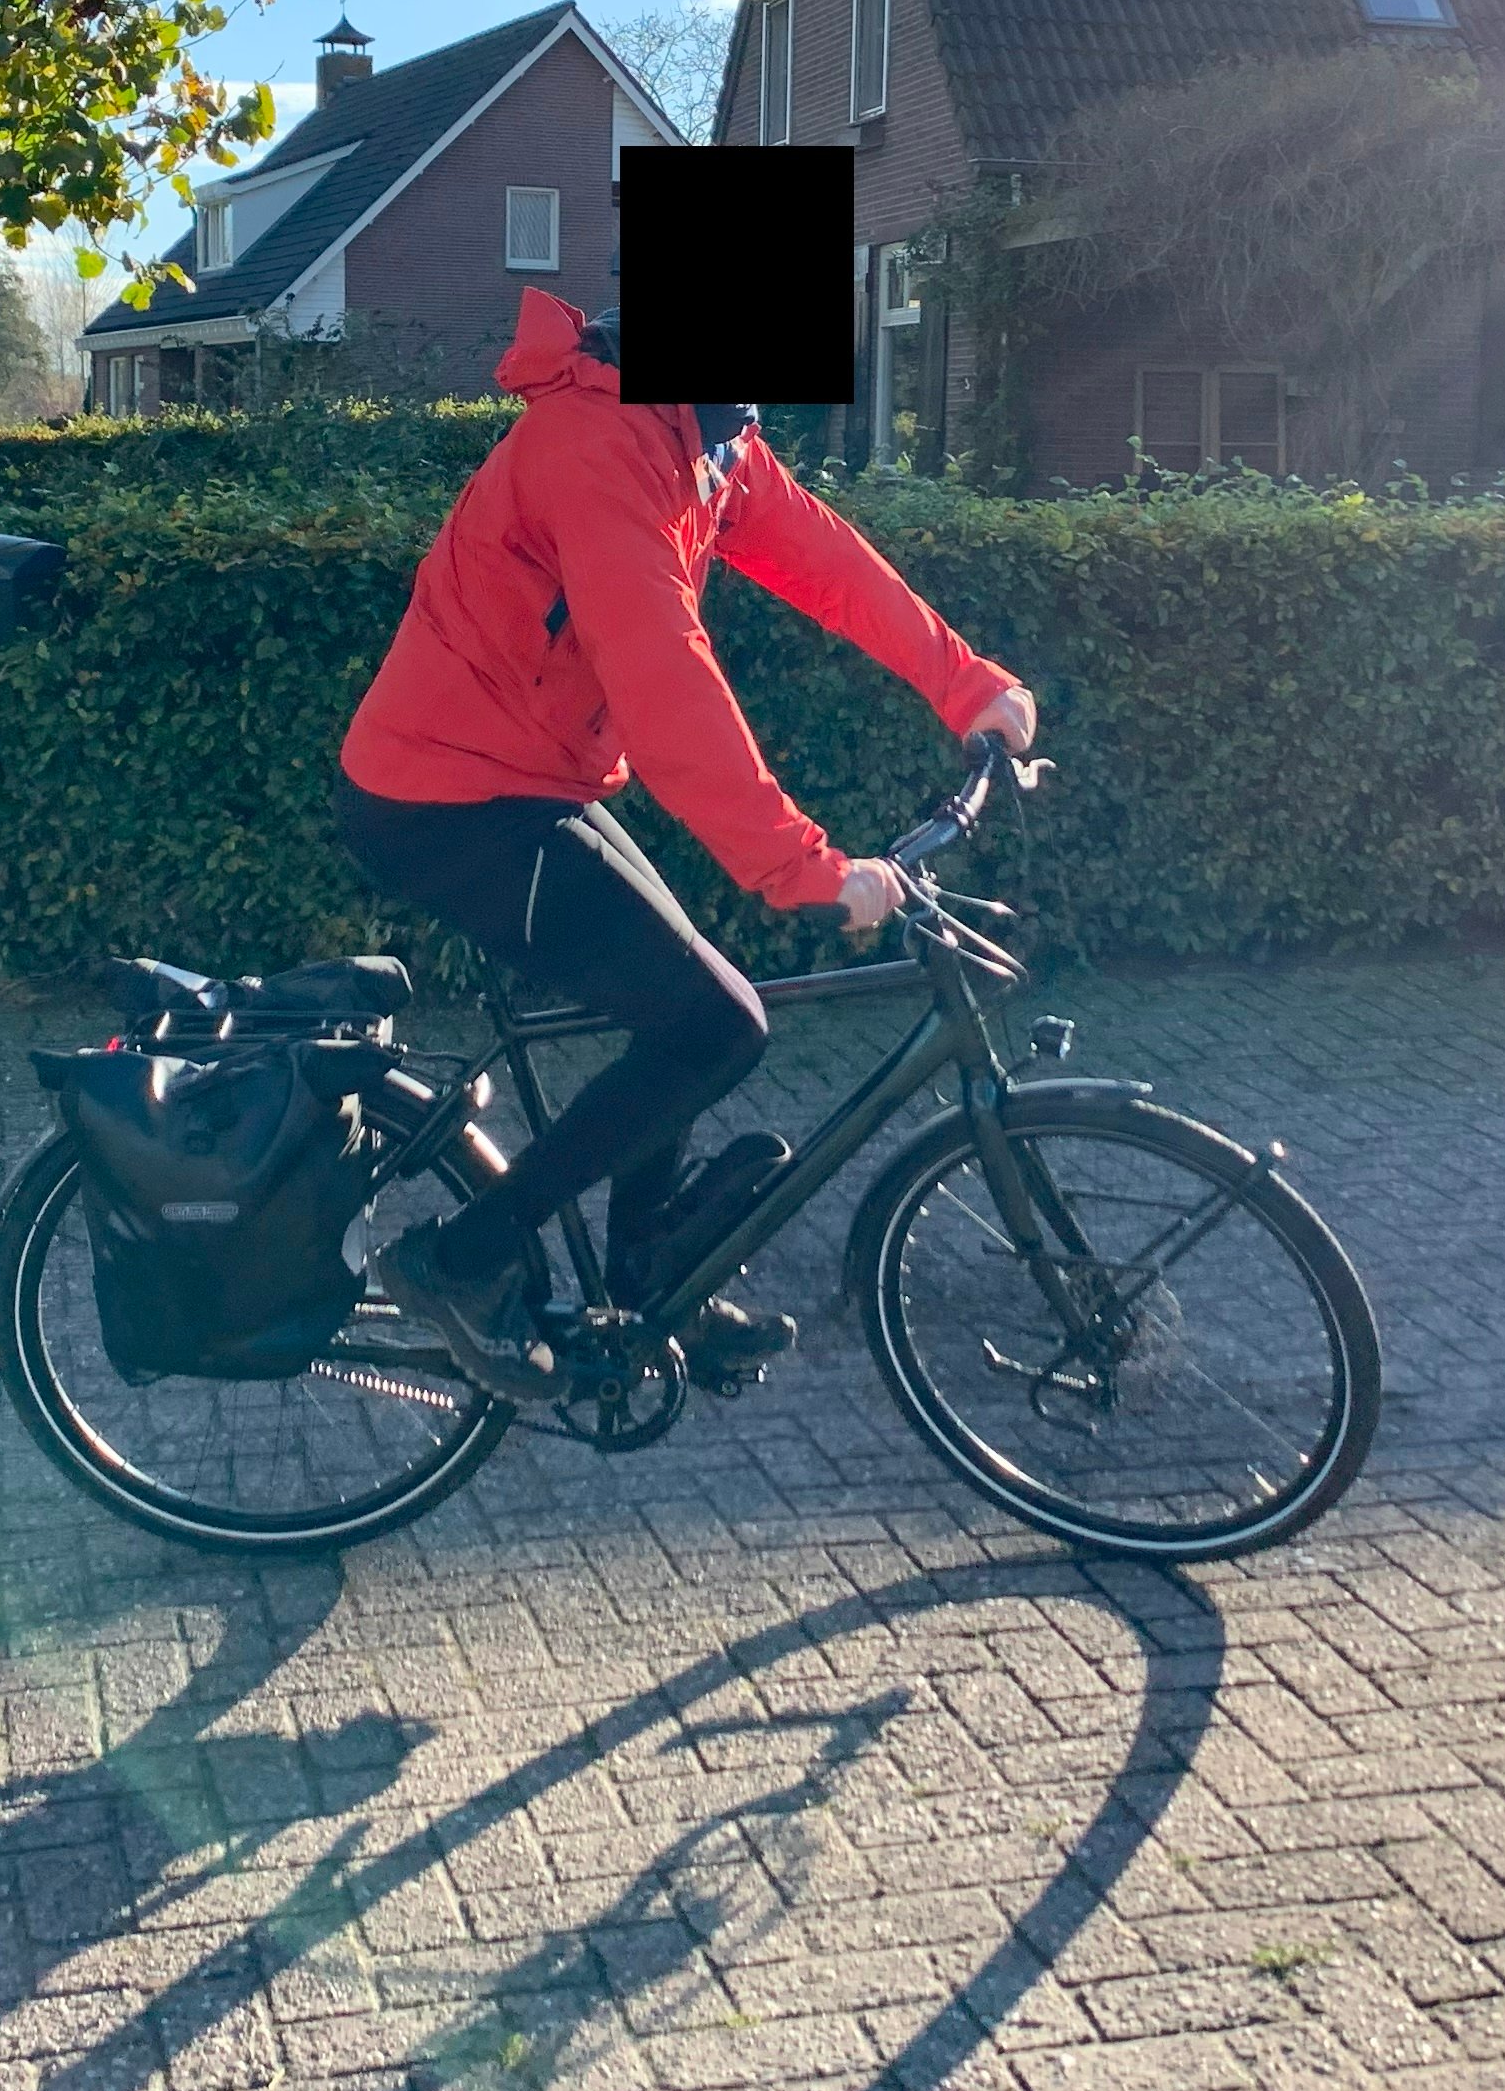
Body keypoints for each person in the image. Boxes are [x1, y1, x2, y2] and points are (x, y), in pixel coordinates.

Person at [336, 289, 1038, 1405]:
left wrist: (969, 685)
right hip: (443, 799)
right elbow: (665, 681)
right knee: (714, 1024)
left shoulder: (703, 435)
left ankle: (646, 1274)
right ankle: (460, 1261)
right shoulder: (599, 446)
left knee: (687, 1002)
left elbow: (827, 560)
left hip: (528, 778)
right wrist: (804, 868)